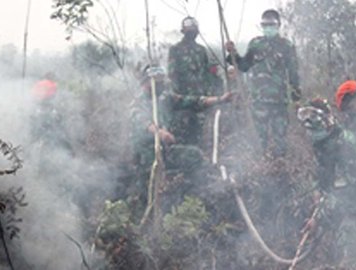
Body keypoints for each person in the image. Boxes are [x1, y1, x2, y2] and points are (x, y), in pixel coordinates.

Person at [129, 65, 232, 205]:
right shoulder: (138, 102)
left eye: (161, 80)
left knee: (193, 155)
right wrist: (160, 133)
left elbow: (192, 101)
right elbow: (142, 121)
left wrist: (220, 99)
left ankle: (194, 197)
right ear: (147, 82)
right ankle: (144, 204)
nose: (161, 84)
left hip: (165, 150)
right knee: (148, 185)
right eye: (157, 81)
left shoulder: (165, 97)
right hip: (146, 153)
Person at [297, 98, 356, 266]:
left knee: (351, 259)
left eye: (315, 119)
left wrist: (317, 219)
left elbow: (344, 194)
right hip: (341, 207)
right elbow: (322, 177)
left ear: (326, 120)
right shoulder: (323, 144)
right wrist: (316, 194)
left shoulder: (342, 144)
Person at [225, 9, 301, 158]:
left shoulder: (286, 46)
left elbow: (293, 74)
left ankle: (280, 169)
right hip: (258, 101)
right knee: (260, 141)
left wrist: (296, 99)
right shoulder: (255, 44)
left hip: (279, 101)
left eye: (271, 25)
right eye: (265, 25)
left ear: (278, 25)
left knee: (280, 140)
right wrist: (232, 53)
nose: (268, 28)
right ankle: (262, 171)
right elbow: (244, 66)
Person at [167, 16, 222, 147]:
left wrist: (210, 94)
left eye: (194, 29)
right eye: (189, 29)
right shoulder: (175, 50)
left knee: (199, 130)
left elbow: (207, 74)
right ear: (183, 31)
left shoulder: (201, 50)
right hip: (183, 98)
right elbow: (172, 75)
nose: (192, 32)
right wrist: (176, 97)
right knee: (183, 130)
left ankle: (198, 156)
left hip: (201, 98)